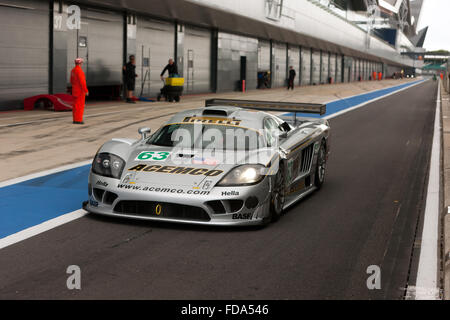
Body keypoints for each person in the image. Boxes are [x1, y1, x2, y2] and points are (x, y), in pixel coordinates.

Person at [70, 58, 89, 125]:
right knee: (80, 106)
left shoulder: (72, 70)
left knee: (75, 106)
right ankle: (78, 120)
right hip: (80, 91)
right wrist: (86, 90)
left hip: (74, 90)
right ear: (81, 63)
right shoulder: (79, 71)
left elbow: (71, 81)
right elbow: (82, 82)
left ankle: (75, 119)